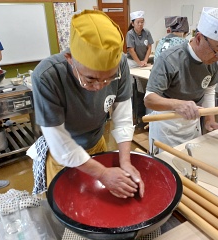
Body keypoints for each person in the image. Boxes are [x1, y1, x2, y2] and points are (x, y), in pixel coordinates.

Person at [30, 10, 144, 199]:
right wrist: (103, 173)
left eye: (109, 79)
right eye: (90, 79)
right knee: (68, 204)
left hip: (96, 144)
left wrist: (125, 161)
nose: (99, 87)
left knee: (96, 201)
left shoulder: (121, 63)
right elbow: (59, 142)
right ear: (70, 59)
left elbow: (123, 116)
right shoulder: (47, 76)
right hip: (63, 154)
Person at [144, 7, 218, 154]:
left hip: (192, 125)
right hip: (166, 125)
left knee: (190, 164)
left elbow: (209, 91)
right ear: (199, 38)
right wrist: (178, 104)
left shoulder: (212, 62)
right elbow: (149, 99)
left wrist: (209, 120)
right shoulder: (170, 59)